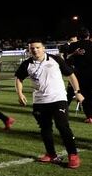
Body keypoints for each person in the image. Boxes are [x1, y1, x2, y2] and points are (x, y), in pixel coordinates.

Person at [15, 40, 82, 168]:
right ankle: (51, 154)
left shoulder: (55, 59)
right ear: (29, 50)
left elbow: (71, 75)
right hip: (39, 101)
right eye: (32, 48)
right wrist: (20, 94)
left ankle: (73, 155)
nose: (35, 50)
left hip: (58, 99)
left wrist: (77, 92)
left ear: (43, 48)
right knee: (45, 128)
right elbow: (18, 78)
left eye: (38, 47)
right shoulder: (27, 64)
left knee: (62, 126)